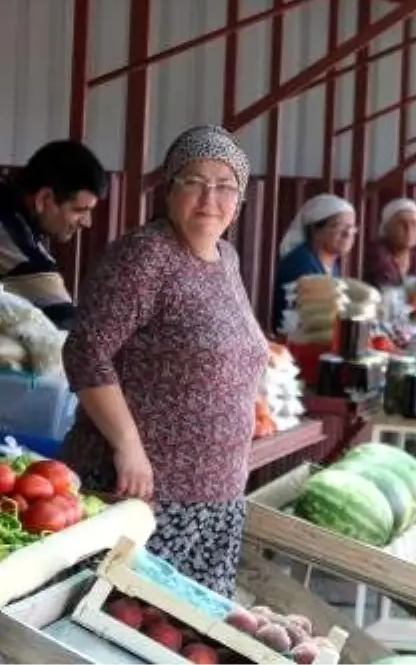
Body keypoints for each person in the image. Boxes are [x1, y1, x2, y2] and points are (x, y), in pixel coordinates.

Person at [60, 125, 269, 598]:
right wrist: (128, 445)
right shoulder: (145, 255)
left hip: (214, 501)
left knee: (189, 638)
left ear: (240, 200)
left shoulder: (227, 258)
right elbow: (86, 350)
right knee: (129, 631)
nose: (210, 197)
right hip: (144, 497)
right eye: (194, 180)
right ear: (169, 188)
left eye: (225, 185)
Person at [0, 140, 107, 330]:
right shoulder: (12, 239)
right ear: (44, 199)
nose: (87, 222)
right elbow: (70, 331)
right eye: (79, 210)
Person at [271, 193, 357, 333]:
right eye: (338, 226)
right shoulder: (300, 263)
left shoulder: (332, 264)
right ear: (315, 229)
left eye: (352, 227)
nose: (348, 234)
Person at [363, 198, 416, 289]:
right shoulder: (377, 253)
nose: (409, 230)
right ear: (386, 227)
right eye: (401, 223)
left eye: (414, 224)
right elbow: (389, 286)